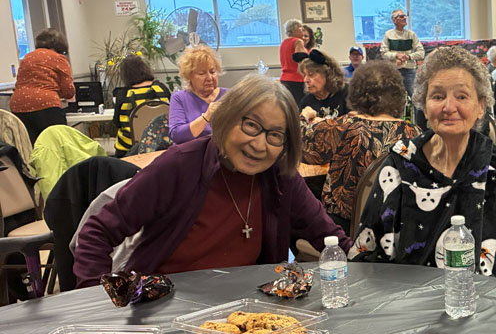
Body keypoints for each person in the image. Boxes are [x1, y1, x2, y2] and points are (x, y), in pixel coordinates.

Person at [73, 75, 349, 286]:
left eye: (275, 135)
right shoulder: (179, 165)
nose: (259, 144)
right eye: (251, 125)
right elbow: (97, 232)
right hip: (164, 308)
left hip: (246, 313)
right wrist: (100, 304)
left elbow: (329, 237)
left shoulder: (280, 176)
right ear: (226, 119)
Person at [349, 46, 496, 278]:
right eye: (438, 97)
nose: (449, 107)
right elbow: (368, 255)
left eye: (461, 96)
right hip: (409, 294)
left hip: (486, 296)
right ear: (425, 106)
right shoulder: (400, 164)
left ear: (481, 107)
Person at [301, 61, 421, 231]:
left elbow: (302, 149)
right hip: (397, 227)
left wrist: (304, 117)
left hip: (344, 228)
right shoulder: (414, 133)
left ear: (356, 92)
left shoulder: (343, 126)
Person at [11, 28, 74, 143]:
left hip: (18, 106)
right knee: (57, 144)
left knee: (30, 146)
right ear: (60, 44)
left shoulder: (27, 58)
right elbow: (69, 91)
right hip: (45, 105)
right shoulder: (58, 58)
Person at [168, 45, 227, 145]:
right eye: (201, 73)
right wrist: (206, 117)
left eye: (212, 72)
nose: (209, 78)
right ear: (189, 76)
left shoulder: (227, 96)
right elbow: (176, 135)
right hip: (191, 151)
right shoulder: (179, 98)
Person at [112, 54, 170, 156]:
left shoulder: (123, 95)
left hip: (129, 150)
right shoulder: (161, 89)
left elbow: (117, 123)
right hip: (160, 146)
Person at [380, 8, 424, 95]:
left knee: (413, 95)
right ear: (394, 20)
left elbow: (421, 53)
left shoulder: (411, 35)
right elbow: (384, 53)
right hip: (394, 70)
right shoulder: (388, 34)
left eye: (405, 16)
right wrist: (396, 56)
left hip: (410, 70)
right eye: (401, 16)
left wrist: (408, 57)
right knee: (394, 95)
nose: (404, 18)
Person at [295, 49, 348, 122]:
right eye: (304, 75)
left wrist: (323, 123)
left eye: (311, 74)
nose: (305, 80)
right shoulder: (306, 102)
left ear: (327, 74)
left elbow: (356, 124)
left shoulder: (347, 94)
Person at [278, 19, 308, 102]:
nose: (302, 29)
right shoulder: (298, 41)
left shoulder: (284, 42)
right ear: (293, 29)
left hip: (285, 79)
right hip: (297, 79)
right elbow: (301, 60)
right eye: (300, 27)